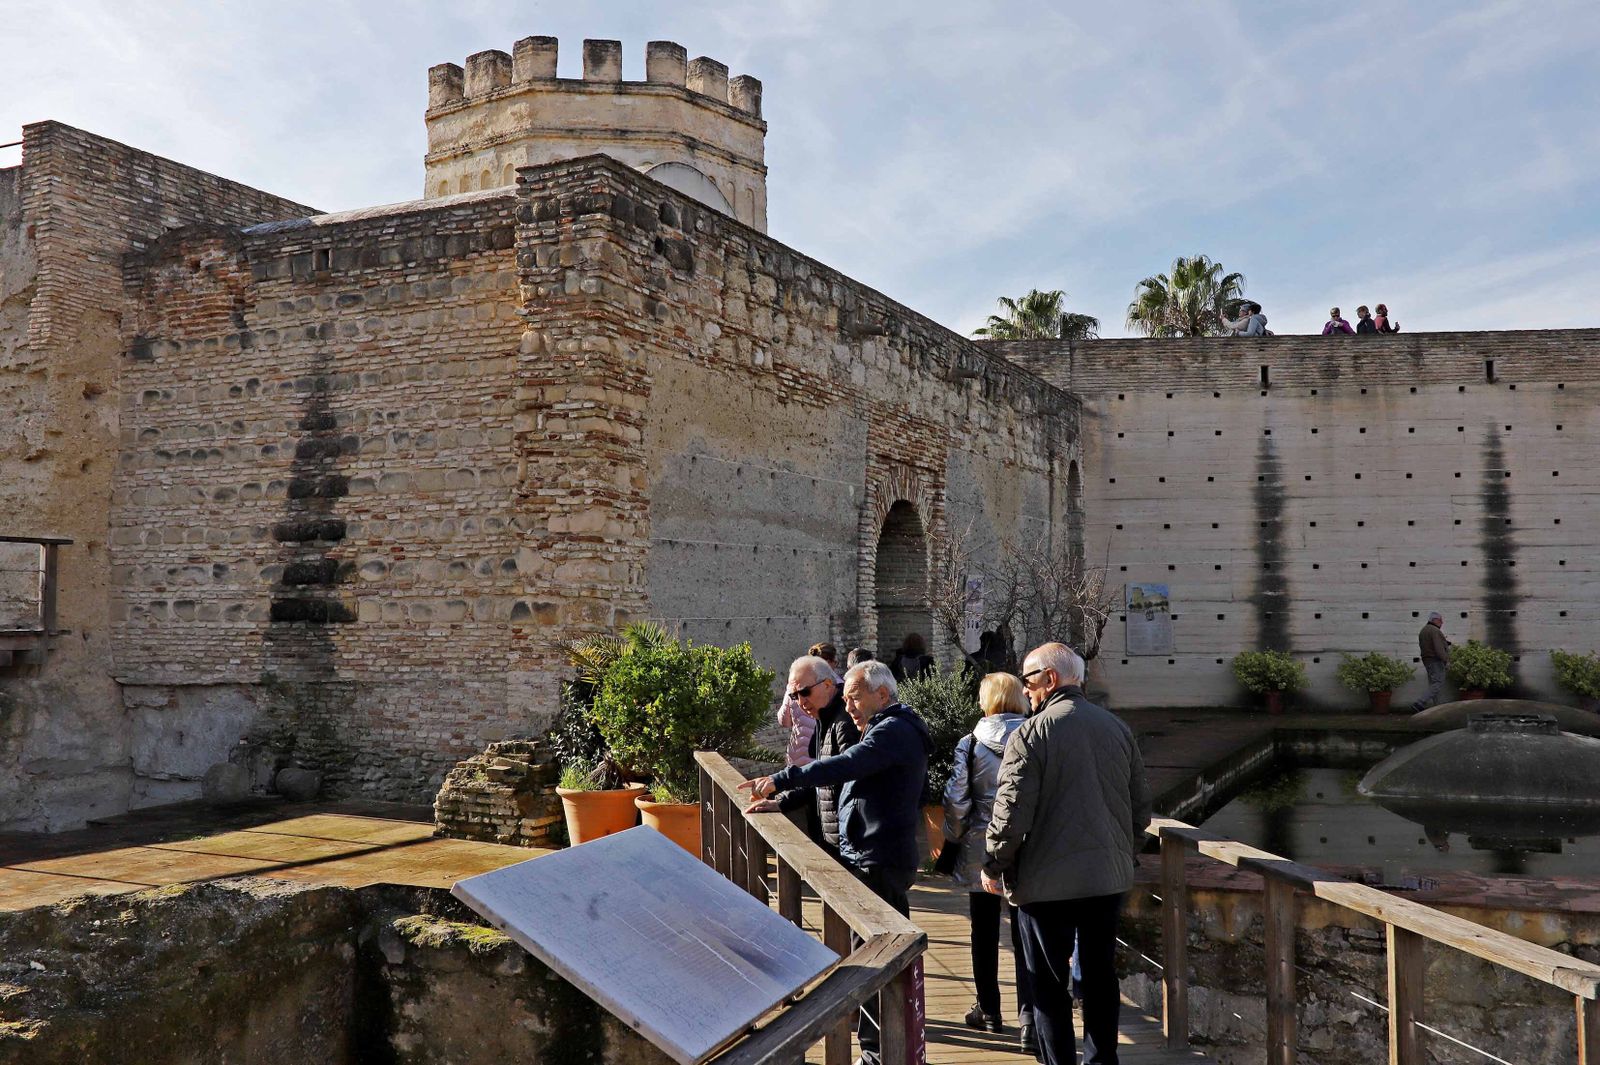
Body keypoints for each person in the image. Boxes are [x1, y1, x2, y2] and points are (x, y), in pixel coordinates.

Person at [741, 661, 933, 1065]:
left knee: (876, 959)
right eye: (845, 699)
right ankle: (877, 1049)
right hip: (869, 855)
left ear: (882, 695)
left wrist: (784, 778)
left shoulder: (894, 730)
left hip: (878, 858)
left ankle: (879, 1052)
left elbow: (846, 766)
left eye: (855, 697)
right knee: (869, 956)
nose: (849, 707)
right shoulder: (886, 727)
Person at [983, 643, 1151, 1065]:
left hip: (1045, 885)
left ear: (1050, 679)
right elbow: (1140, 808)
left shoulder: (1030, 734)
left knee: (1048, 986)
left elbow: (1010, 814)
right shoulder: (1116, 728)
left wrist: (994, 862)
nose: (1026, 690)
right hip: (1105, 879)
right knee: (1099, 980)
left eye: (1029, 680)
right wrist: (1123, 854)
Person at [943, 673, 1034, 1045]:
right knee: (1025, 931)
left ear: (988, 701)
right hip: (1030, 845)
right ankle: (1029, 1018)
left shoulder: (969, 743)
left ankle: (990, 1009)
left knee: (983, 932)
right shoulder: (1036, 736)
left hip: (982, 845)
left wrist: (954, 838)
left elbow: (956, 801)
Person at [770, 655, 860, 851]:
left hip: (852, 843)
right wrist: (781, 801)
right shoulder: (824, 716)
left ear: (828, 684)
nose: (801, 702)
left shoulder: (844, 723)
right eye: (794, 696)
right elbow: (821, 779)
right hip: (836, 835)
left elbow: (848, 777)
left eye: (805, 692)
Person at [1411, 612, 1451, 711]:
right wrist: (1446, 660)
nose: (1442, 623)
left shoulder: (1423, 630)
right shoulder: (1435, 630)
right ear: (1435, 620)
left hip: (1427, 660)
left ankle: (1437, 708)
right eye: (1440, 620)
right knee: (1438, 683)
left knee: (1434, 684)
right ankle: (1420, 702)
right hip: (1435, 660)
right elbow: (1438, 648)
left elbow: (1429, 645)